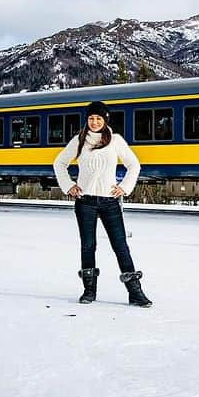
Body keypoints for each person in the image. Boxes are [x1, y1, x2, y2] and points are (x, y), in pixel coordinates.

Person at [53, 100, 150, 307]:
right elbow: (59, 163)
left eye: (98, 118)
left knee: (121, 246)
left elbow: (134, 165)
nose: (94, 122)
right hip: (85, 202)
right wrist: (68, 185)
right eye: (91, 118)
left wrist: (124, 187)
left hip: (110, 202)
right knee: (88, 246)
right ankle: (89, 291)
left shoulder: (115, 140)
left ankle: (135, 293)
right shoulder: (79, 141)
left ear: (105, 120)